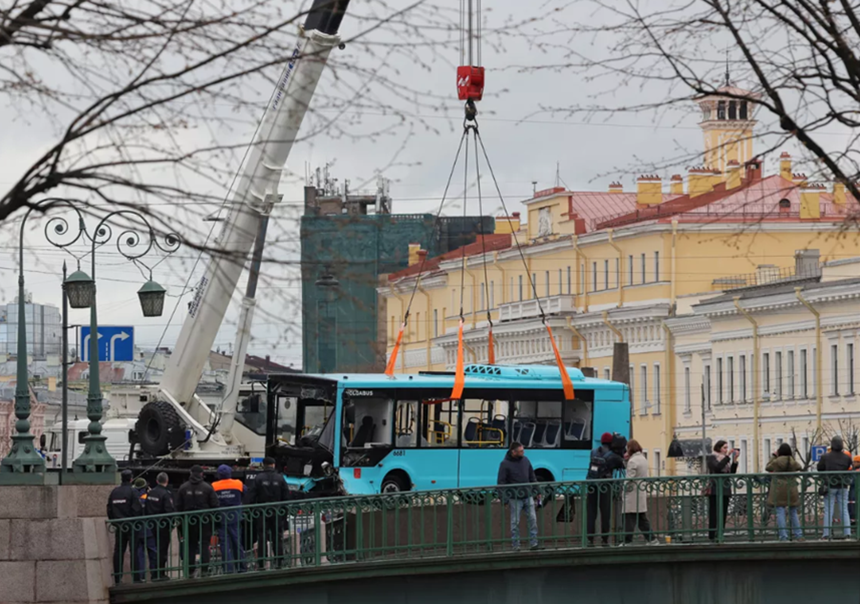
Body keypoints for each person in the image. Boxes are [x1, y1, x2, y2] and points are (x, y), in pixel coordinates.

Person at [245, 457, 290, 569]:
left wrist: (251, 511)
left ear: (264, 465)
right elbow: (286, 496)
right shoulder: (280, 478)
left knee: (262, 537)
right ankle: (279, 562)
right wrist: (284, 513)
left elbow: (251, 496)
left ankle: (261, 562)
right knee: (277, 537)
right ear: (273, 465)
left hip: (262, 512)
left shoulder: (258, 478)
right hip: (276, 512)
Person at [176, 465, 219, 577]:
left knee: (190, 545)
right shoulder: (207, 487)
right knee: (204, 544)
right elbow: (215, 505)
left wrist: (181, 520)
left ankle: (190, 569)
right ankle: (205, 569)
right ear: (201, 474)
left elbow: (178, 506)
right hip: (204, 520)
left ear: (191, 473)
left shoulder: (183, 487)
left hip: (189, 521)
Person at [497, 441, 540, 551]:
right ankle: (516, 544)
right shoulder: (505, 464)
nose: (523, 452)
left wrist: (537, 490)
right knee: (515, 522)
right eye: (521, 451)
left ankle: (533, 542)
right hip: (514, 497)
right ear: (513, 452)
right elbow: (501, 483)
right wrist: (504, 499)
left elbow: (532, 476)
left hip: (527, 494)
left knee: (533, 519)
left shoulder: (525, 460)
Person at [585, 432, 625, 546]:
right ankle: (605, 539)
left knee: (591, 513)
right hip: (605, 486)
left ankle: (590, 539)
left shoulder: (593, 452)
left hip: (592, 485)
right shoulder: (613, 455)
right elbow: (622, 465)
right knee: (605, 513)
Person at [107, 470, 142, 584]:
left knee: (118, 551)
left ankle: (117, 578)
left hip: (119, 526)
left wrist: (115, 522)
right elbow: (137, 509)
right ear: (131, 479)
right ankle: (136, 578)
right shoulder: (133, 492)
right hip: (131, 526)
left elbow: (109, 509)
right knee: (134, 551)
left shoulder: (114, 492)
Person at [622, 439, 658, 545]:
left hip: (632, 494)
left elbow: (629, 478)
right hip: (640, 492)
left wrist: (623, 488)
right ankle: (652, 539)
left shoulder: (633, 461)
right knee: (641, 518)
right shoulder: (643, 458)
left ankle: (627, 541)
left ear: (630, 449)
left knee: (629, 518)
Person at [765, 443, 803, 542]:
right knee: (793, 512)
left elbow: (768, 467)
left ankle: (783, 536)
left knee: (780, 512)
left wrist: (773, 456)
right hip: (791, 488)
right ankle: (798, 535)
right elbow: (799, 467)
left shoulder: (777, 461)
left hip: (778, 489)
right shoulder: (792, 461)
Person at [817, 436, 853, 539]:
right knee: (844, 509)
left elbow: (820, 468)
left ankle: (827, 534)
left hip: (830, 485)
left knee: (829, 510)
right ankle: (847, 532)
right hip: (843, 485)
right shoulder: (847, 457)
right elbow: (849, 469)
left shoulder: (825, 457)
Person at [212, 464, 245, 573]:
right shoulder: (238, 483)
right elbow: (246, 493)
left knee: (224, 544)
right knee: (237, 541)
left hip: (221, 518)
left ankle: (228, 569)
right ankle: (241, 567)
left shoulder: (214, 486)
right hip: (235, 517)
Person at [144, 472, 176, 580]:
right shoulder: (166, 494)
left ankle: (154, 573)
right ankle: (160, 573)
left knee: (153, 550)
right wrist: (171, 525)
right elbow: (169, 511)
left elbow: (146, 508)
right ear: (166, 481)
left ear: (157, 481)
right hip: (162, 527)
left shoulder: (151, 493)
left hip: (151, 525)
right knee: (162, 550)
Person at [706, 440, 739, 541]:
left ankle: (720, 533)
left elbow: (731, 474)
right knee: (714, 512)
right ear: (718, 448)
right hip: (715, 488)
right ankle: (712, 535)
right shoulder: (712, 457)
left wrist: (734, 461)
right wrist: (727, 457)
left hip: (725, 488)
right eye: (724, 448)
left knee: (723, 512)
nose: (726, 450)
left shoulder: (726, 459)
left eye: (727, 447)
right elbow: (717, 468)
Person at [132, 477, 158, 582]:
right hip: (149, 529)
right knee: (153, 553)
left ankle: (140, 577)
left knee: (139, 555)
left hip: (137, 530)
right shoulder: (148, 497)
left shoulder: (134, 498)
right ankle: (154, 574)